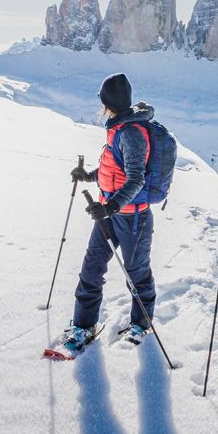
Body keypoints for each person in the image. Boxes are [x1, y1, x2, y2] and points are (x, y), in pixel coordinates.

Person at [65, 72, 157, 350]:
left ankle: (141, 325)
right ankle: (83, 326)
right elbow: (111, 170)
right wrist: (87, 176)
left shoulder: (131, 133)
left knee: (136, 272)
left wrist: (112, 206)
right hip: (108, 214)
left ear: (109, 102)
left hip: (133, 218)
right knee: (91, 269)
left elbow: (135, 178)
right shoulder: (117, 127)